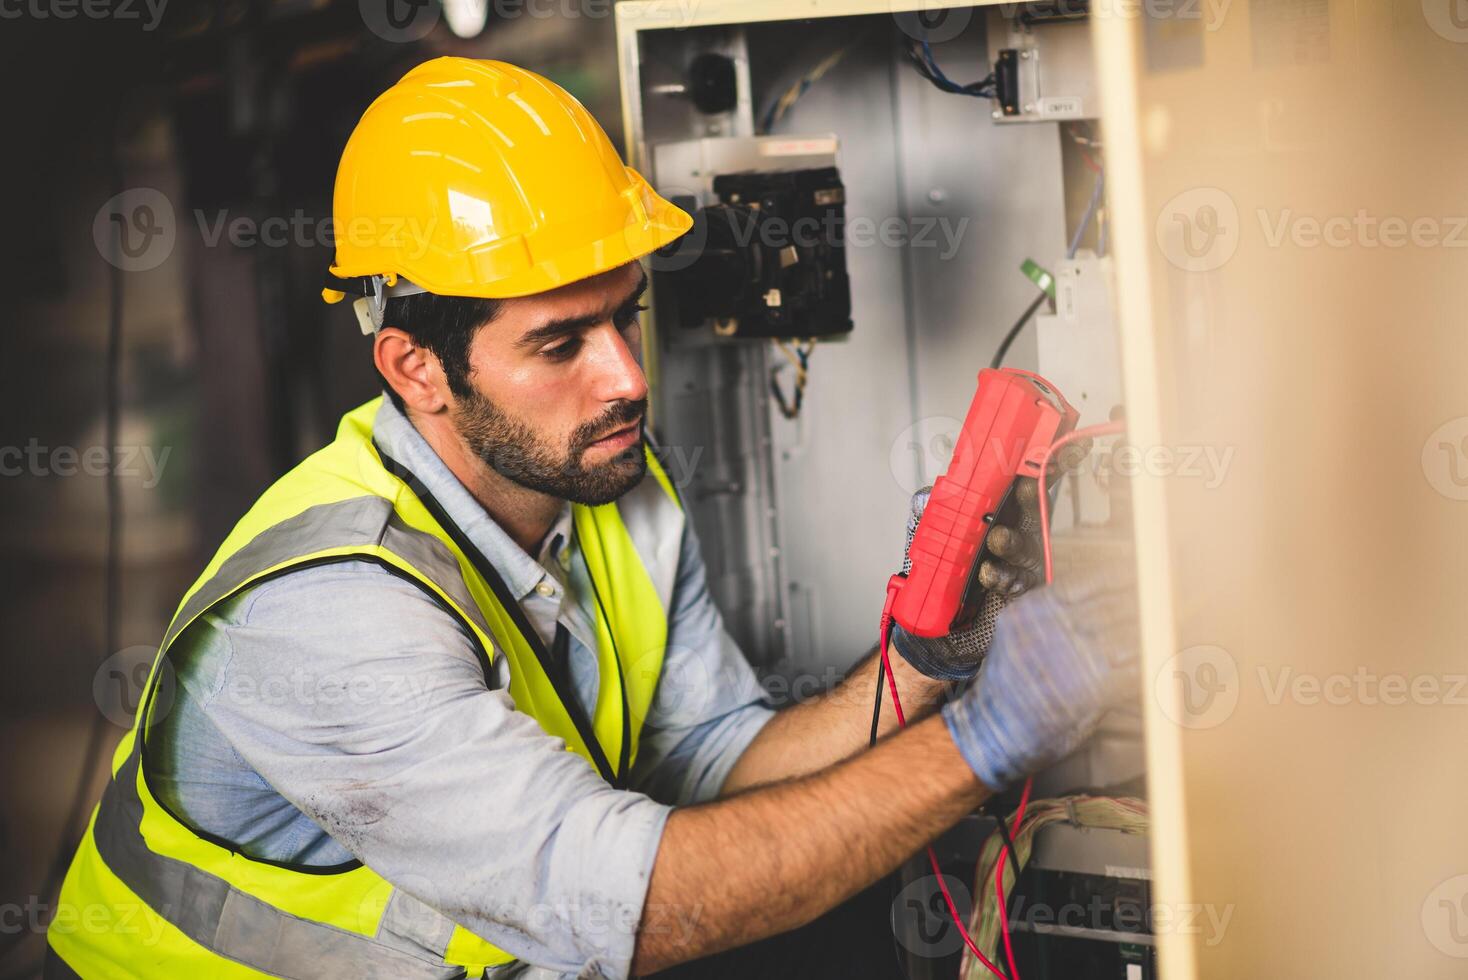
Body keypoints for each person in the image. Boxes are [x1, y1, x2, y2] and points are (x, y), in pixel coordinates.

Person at [46, 57, 1138, 980]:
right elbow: (639, 900)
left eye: (626, 316)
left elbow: (711, 761)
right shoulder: (327, 617)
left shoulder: (612, 489)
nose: (624, 377)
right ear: (415, 366)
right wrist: (981, 742)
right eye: (561, 343)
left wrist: (928, 665)